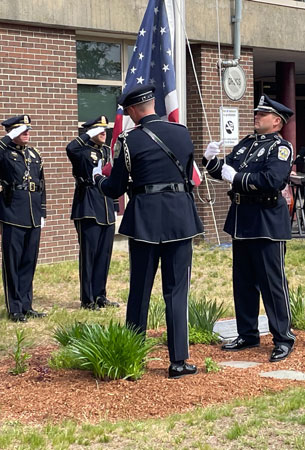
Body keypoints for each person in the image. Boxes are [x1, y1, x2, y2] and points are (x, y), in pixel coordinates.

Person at [93, 85, 204, 379]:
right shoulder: (181, 132)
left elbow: (115, 187)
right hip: (180, 217)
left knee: (140, 289)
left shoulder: (129, 140)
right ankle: (179, 361)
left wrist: (97, 180)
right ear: (153, 104)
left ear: (131, 111)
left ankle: (133, 355)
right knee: (177, 291)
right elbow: (188, 174)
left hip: (146, 219)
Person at [204, 94, 295, 363]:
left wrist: (238, 178)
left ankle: (282, 337)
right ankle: (247, 333)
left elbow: (273, 179)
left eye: (262, 114)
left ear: (276, 121)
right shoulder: (247, 143)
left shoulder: (281, 148)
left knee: (272, 282)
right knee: (243, 281)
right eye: (256, 113)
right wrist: (211, 162)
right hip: (242, 218)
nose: (256, 116)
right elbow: (226, 170)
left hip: (266, 220)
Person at [0, 115, 47, 322]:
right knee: (13, 262)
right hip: (13, 212)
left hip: (32, 213)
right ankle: (14, 308)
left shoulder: (34, 154)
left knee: (29, 261)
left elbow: (41, 183)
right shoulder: (4, 154)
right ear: (12, 132)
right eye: (22, 131)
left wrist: (43, 212)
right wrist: (8, 138)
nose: (27, 134)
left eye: (28, 130)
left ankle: (26, 304)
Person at [66, 115, 119, 310]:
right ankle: (87, 299)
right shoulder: (82, 151)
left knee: (104, 255)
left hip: (105, 205)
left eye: (105, 130)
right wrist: (88, 134)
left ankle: (100, 295)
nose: (103, 133)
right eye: (99, 130)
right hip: (87, 205)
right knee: (89, 255)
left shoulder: (107, 151)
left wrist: (114, 206)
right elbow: (70, 149)